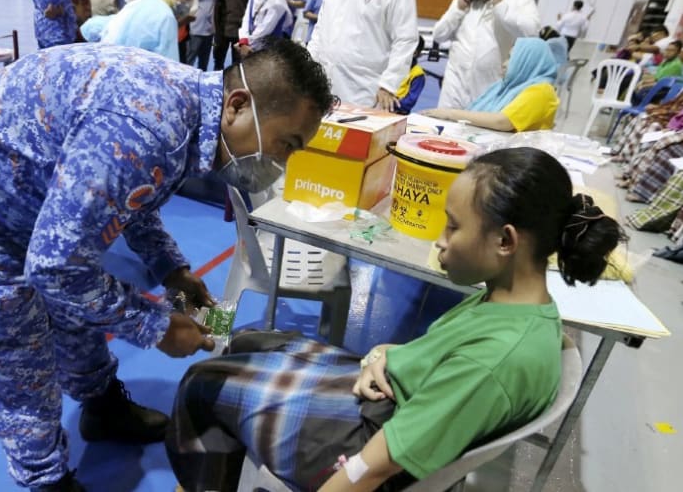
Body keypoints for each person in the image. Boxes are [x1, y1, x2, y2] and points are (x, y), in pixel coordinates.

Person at [0, 39, 333, 492]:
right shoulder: (146, 127)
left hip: (16, 190)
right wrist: (157, 327)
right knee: (12, 344)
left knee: (77, 301)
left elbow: (132, 197)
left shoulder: (186, 116)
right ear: (237, 106)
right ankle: (47, 481)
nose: (282, 162)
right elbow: (55, 266)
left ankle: (102, 407)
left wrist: (171, 270)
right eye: (286, 144)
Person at [166, 147, 626, 492]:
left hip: (368, 437)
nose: (440, 241)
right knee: (250, 340)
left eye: (453, 226)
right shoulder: (514, 306)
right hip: (390, 400)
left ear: (505, 241)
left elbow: (372, 469)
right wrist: (385, 355)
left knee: (200, 385)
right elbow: (441, 355)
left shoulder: (495, 361)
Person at [433, 0, 540, 109]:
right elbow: (438, 35)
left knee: (478, 124)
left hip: (488, 88)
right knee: (443, 123)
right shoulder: (464, 1)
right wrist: (458, 9)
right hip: (454, 85)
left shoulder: (518, 0)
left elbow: (532, 32)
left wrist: (501, 6)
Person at [424, 37, 559, 132]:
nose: (504, 64)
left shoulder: (542, 91)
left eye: (511, 58)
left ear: (527, 62)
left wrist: (450, 113)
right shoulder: (504, 87)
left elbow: (502, 121)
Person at [83, 0, 195, 63]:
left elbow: (93, 27)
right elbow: (169, 65)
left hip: (108, 60)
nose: (188, 5)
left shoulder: (138, 3)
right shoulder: (167, 18)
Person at [629, 39, 683, 105]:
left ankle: (639, 108)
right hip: (660, 87)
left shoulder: (675, 65)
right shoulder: (665, 62)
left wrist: (643, 85)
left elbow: (660, 83)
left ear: (678, 53)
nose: (668, 52)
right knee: (634, 88)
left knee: (641, 92)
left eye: (672, 50)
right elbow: (656, 78)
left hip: (667, 90)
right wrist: (642, 82)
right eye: (667, 49)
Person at [394, 35, 426, 115]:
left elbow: (409, 102)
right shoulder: (392, 65)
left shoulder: (418, 74)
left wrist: (391, 102)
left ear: (414, 53)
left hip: (398, 112)